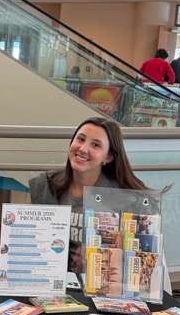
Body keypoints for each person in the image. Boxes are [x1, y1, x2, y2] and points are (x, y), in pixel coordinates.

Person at [29, 116, 145, 273]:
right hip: (50, 277)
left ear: (108, 157)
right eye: (80, 139)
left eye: (95, 145)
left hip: (100, 282)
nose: (83, 149)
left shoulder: (124, 200)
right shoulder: (45, 186)